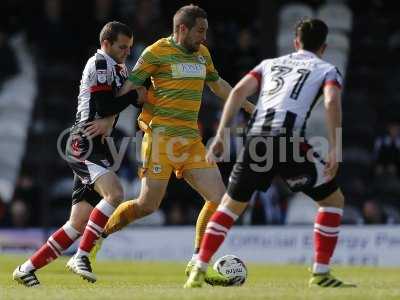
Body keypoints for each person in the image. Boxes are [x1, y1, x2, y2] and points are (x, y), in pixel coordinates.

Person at [185, 18, 356, 288]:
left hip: (256, 141)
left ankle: (199, 268)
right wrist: (335, 145)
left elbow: (238, 92)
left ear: (295, 42)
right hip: (288, 142)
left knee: (229, 208)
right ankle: (321, 273)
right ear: (324, 47)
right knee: (333, 201)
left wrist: (221, 134)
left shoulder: (270, 64)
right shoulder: (326, 68)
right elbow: (332, 100)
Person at [90, 4, 254, 282]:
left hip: (190, 139)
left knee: (219, 198)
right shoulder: (155, 52)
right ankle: (98, 236)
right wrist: (108, 119)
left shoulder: (203, 54)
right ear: (182, 29)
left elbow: (217, 84)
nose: (204, 36)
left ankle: (197, 261)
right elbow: (128, 88)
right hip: (160, 139)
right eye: (200, 31)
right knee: (146, 206)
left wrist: (249, 108)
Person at [12, 21, 143, 287]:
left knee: (77, 223)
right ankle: (81, 255)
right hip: (84, 140)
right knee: (115, 194)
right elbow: (107, 103)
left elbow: (113, 105)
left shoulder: (118, 67)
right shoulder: (100, 64)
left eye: (129, 48)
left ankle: (26, 269)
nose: (126, 52)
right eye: (122, 47)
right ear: (106, 44)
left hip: (97, 142)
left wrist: (115, 114)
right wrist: (131, 98)